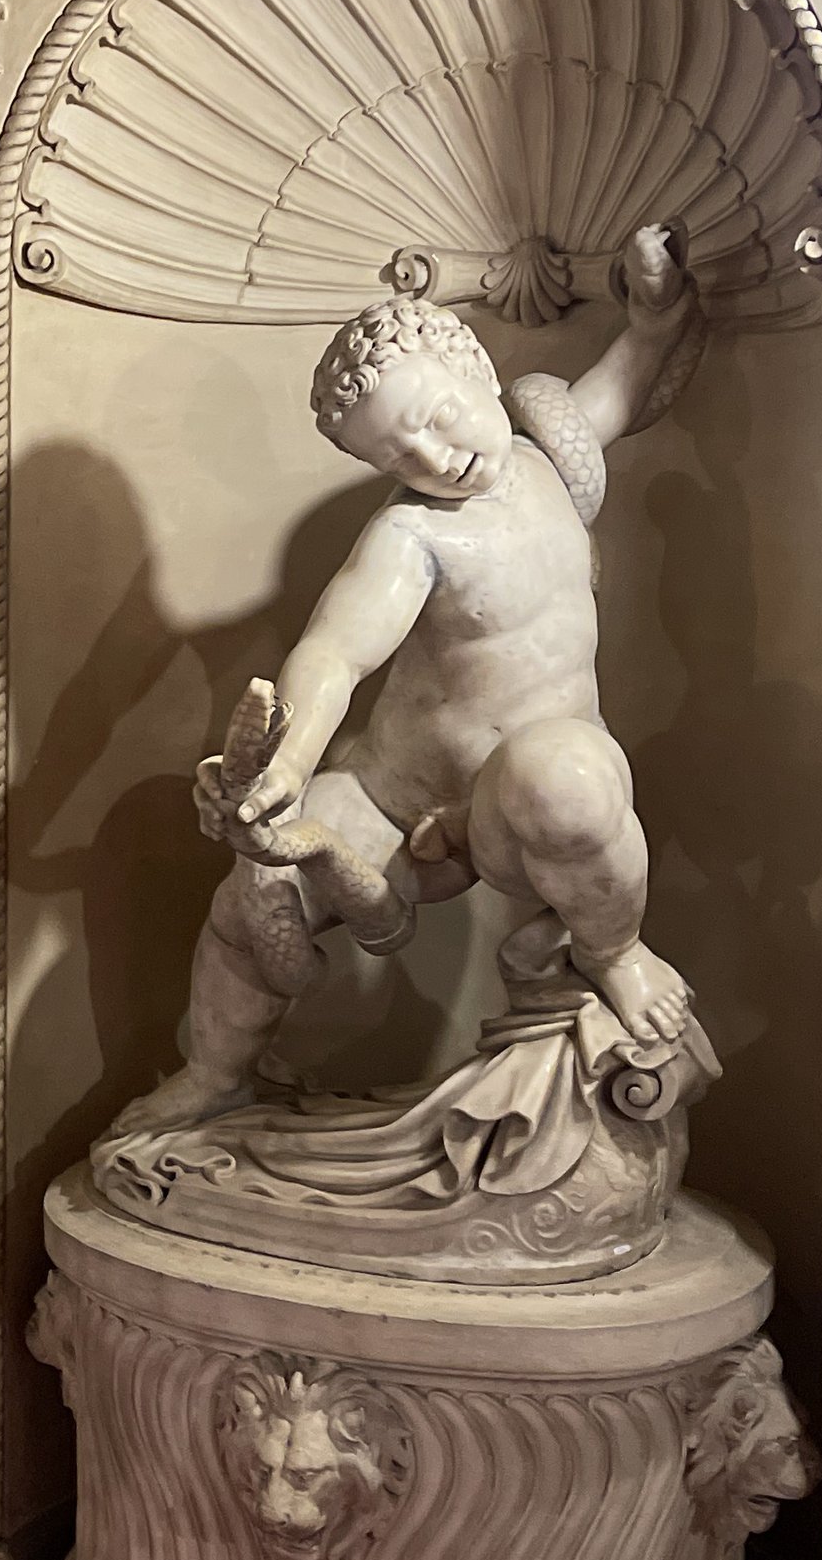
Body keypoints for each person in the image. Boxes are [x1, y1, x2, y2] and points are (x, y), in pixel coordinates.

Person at [111, 225, 701, 1141]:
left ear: (476, 371)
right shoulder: (410, 536)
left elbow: (623, 384)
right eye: (398, 456)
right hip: (398, 793)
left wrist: (655, 317)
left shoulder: (552, 459)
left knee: (564, 781)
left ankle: (614, 950)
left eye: (436, 416)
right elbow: (335, 654)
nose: (431, 457)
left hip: (521, 793)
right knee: (253, 898)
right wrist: (285, 769)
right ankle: (217, 1073)